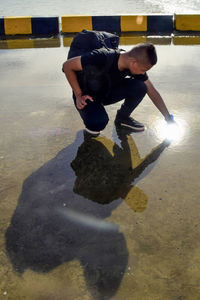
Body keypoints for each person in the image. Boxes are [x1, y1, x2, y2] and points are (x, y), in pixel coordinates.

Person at [62, 42, 174, 136]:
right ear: (133, 62)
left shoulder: (133, 66)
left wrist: (168, 118)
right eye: (143, 69)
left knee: (141, 87)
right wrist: (78, 94)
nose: (143, 73)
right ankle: (91, 123)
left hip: (106, 91)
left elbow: (152, 90)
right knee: (98, 123)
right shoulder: (101, 57)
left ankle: (123, 118)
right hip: (86, 95)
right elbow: (67, 66)